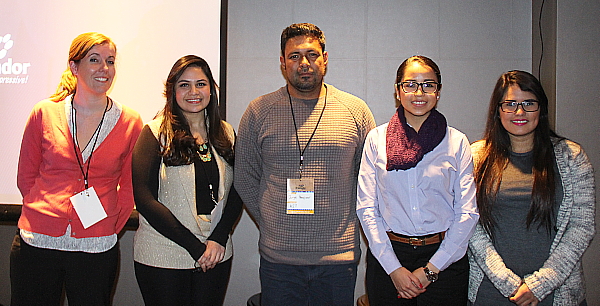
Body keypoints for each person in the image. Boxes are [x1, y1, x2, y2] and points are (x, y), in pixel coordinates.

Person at [234, 23, 376, 306]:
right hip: (279, 261)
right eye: (295, 56)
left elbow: (370, 181)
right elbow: (244, 177)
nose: (304, 63)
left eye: (311, 54)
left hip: (338, 258)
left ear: (325, 58)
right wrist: (272, 221)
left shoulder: (355, 110)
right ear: (282, 62)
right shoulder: (259, 111)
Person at [11, 32, 143, 306]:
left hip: (96, 247)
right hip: (37, 242)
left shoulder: (130, 121)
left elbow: (130, 185)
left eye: (110, 61)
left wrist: (107, 226)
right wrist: (45, 213)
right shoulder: (44, 112)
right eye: (94, 60)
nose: (104, 68)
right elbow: (26, 177)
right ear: (74, 66)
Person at [356, 55, 479, 305]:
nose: (419, 92)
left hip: (445, 258)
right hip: (389, 257)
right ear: (398, 90)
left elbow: (467, 213)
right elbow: (367, 208)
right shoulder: (376, 140)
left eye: (428, 84)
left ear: (438, 91)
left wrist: (431, 270)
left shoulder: (456, 142)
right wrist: (394, 269)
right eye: (410, 84)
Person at [468, 70, 596, 306]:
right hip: (492, 293)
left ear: (541, 109)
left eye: (529, 103)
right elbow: (469, 225)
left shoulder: (571, 157)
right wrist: (509, 283)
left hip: (556, 293)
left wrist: (540, 285)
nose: (520, 112)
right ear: (498, 110)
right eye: (510, 104)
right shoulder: (476, 157)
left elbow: (582, 226)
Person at [132, 55, 242, 306]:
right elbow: (144, 198)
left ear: (211, 90)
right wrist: (196, 247)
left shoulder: (226, 133)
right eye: (184, 85)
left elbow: (239, 189)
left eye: (201, 84)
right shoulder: (154, 133)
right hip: (163, 256)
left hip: (216, 254)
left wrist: (218, 238)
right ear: (172, 91)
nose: (193, 92)